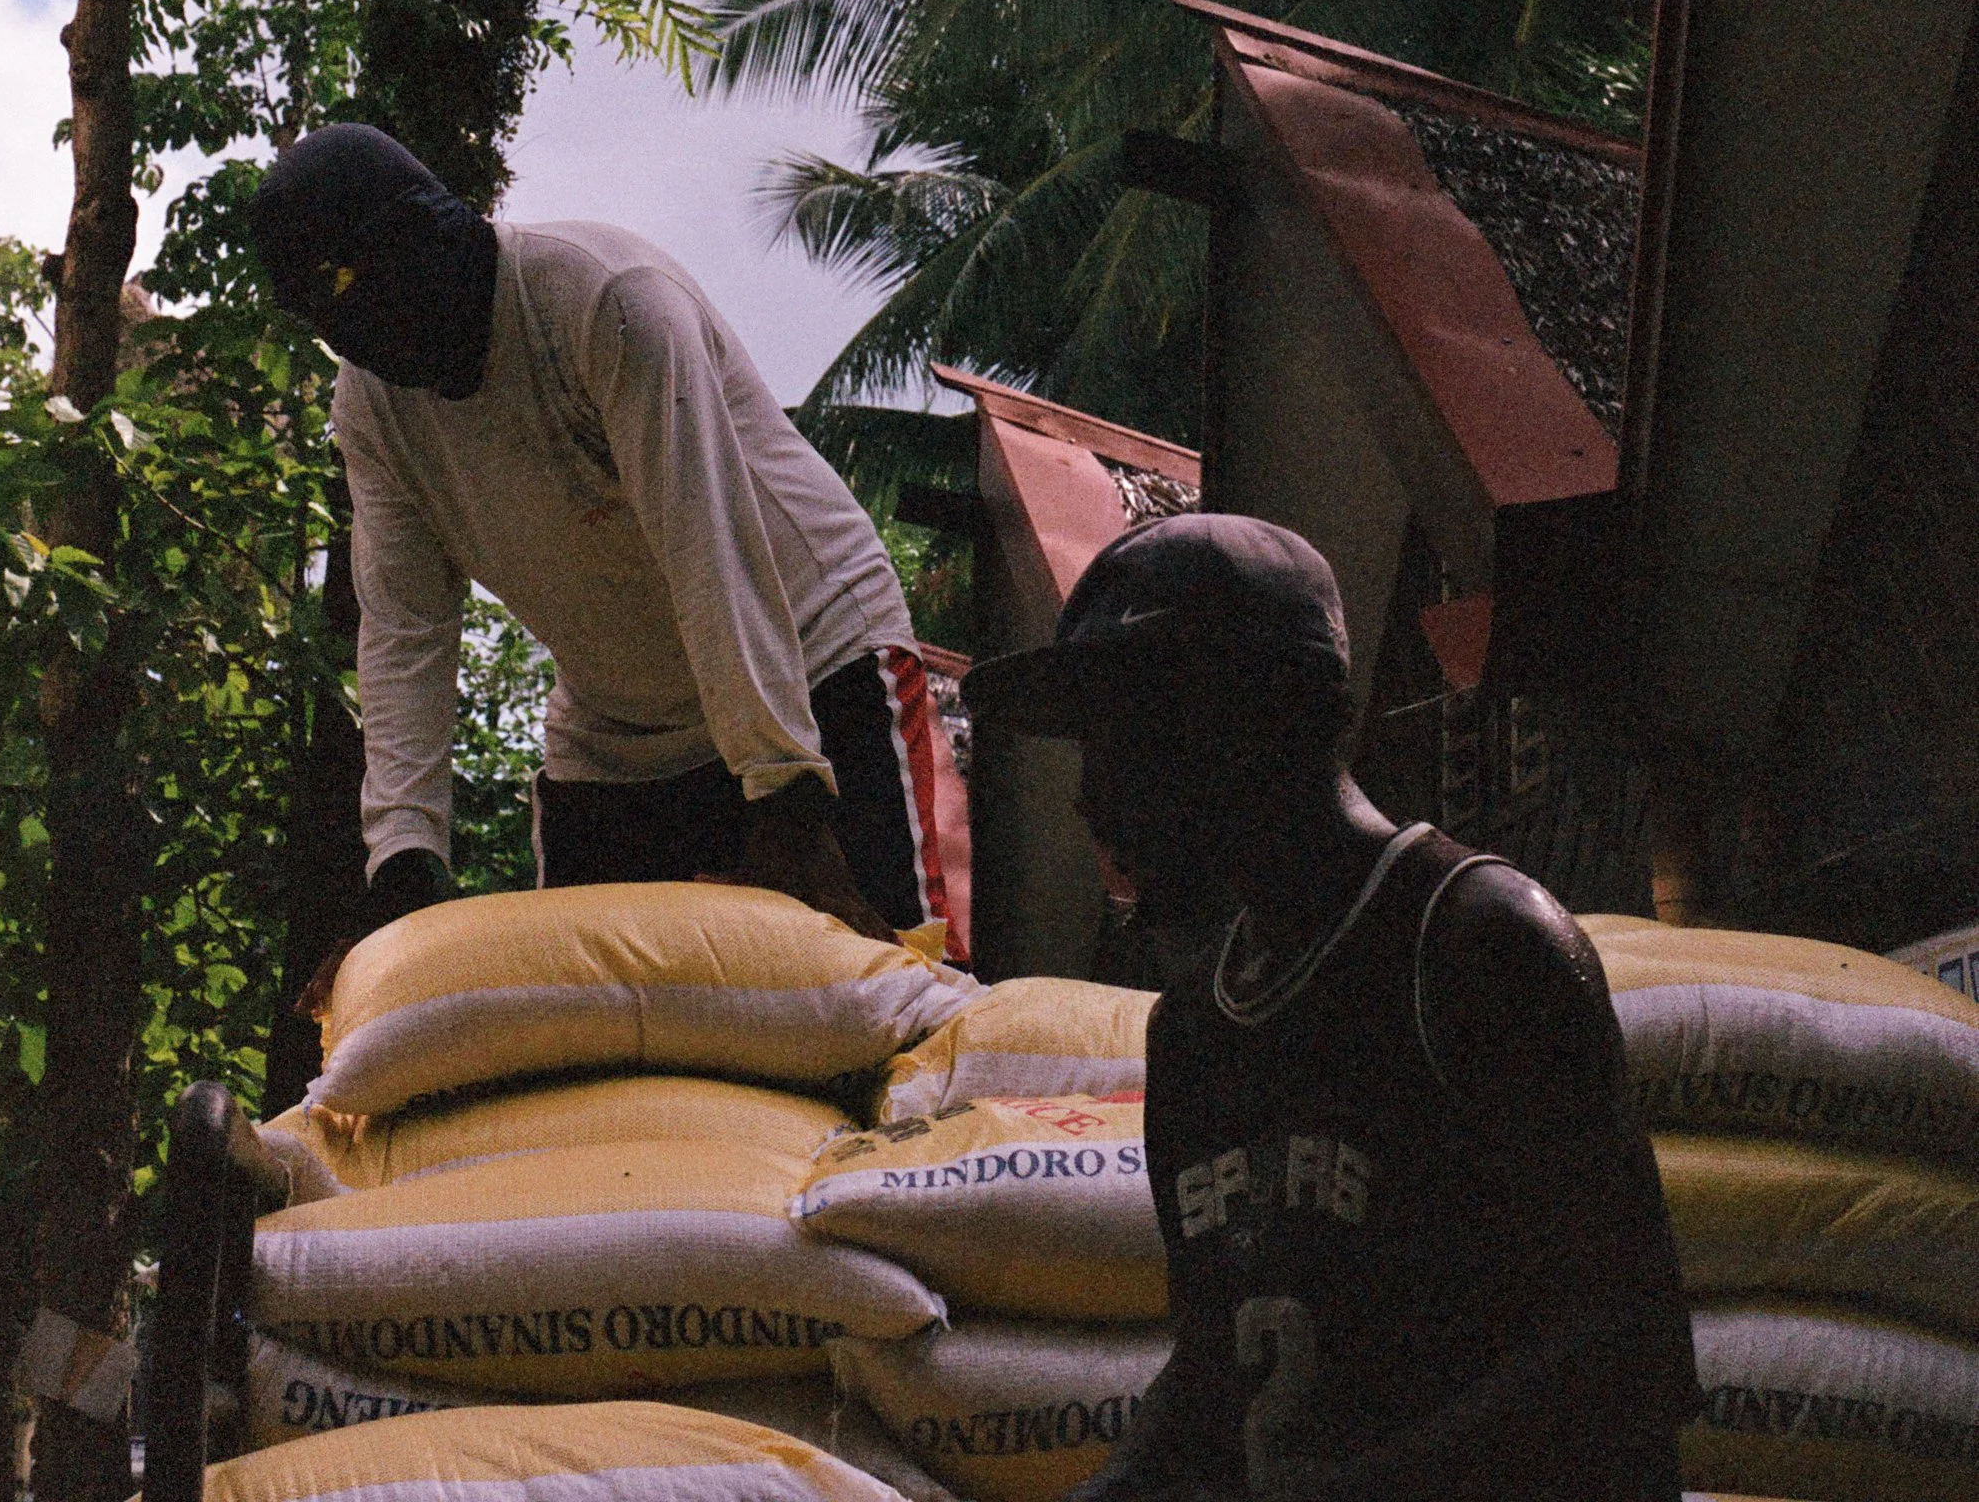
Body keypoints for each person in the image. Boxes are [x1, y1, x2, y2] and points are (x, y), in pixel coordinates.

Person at [964, 513, 1697, 1502]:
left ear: (1236, 725)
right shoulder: (1194, 1034)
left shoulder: (1477, 945)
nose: (1088, 799)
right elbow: (1218, 1370)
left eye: (1119, 740)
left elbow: (1626, 1357)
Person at [249, 124, 959, 972]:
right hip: (616, 735)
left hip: (814, 667)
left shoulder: (608, 302)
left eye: (361, 291)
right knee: (583, 1031)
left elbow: (709, 543)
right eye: (330, 321)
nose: (365, 340)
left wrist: (784, 795)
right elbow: (405, 628)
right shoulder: (373, 408)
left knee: (892, 986)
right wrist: (403, 858)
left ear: (429, 235)